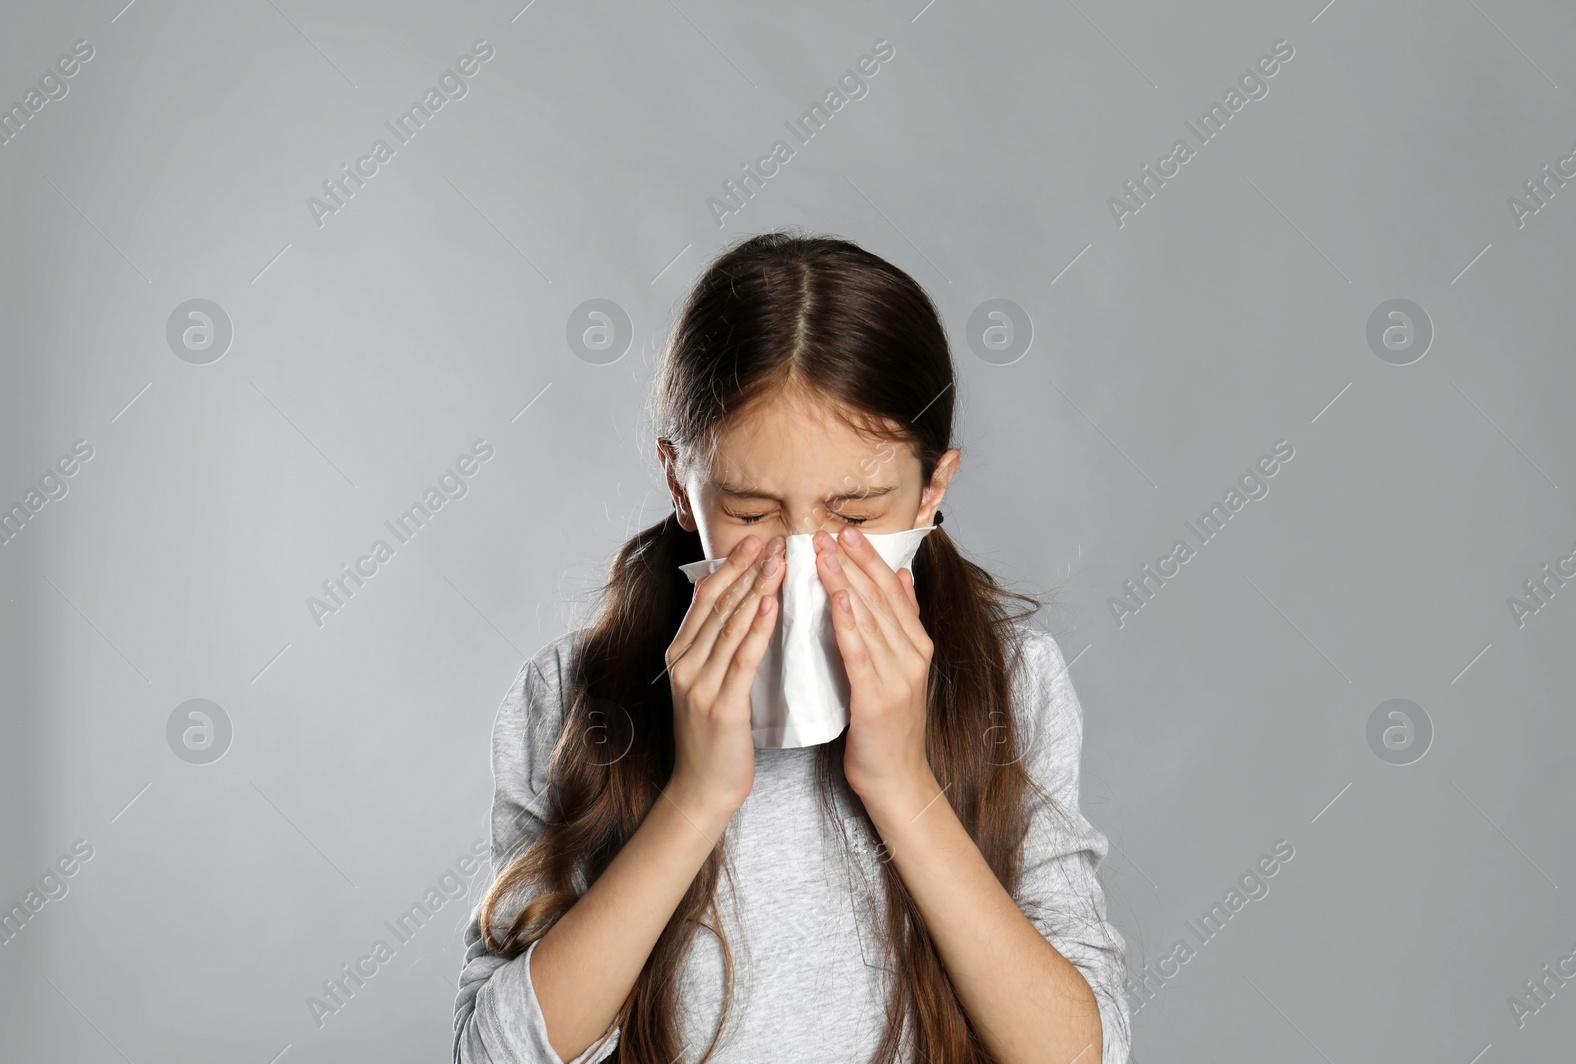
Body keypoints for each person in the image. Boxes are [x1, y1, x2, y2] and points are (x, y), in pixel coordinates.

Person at [453, 230, 1132, 1063]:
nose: (805, 554)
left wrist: (901, 784)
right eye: (748, 513)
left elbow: (1079, 1055)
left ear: (932, 491)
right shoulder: (568, 696)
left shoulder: (1013, 682)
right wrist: (696, 797)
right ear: (680, 485)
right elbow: (496, 1055)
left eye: (854, 516)